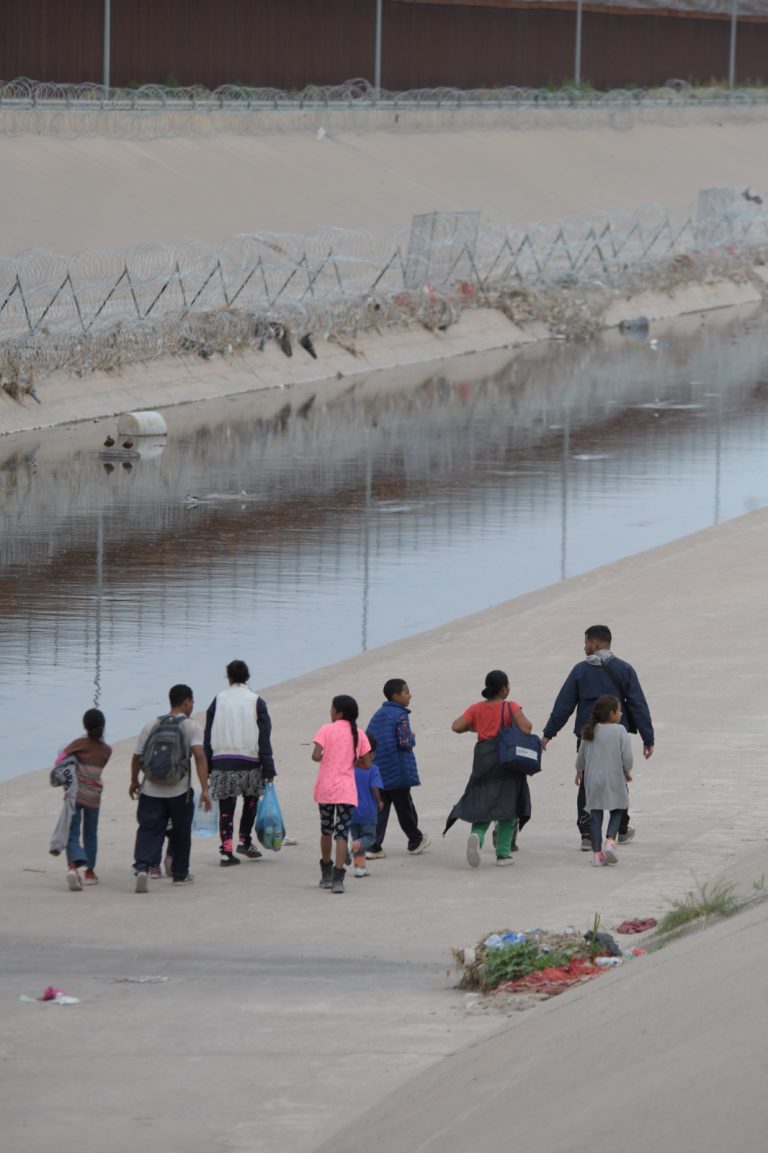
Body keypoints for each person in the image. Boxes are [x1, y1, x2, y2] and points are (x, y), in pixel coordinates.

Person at [541, 624, 654, 850]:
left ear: (594, 643)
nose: (584, 647)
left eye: (585, 643)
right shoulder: (624, 669)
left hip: (587, 734)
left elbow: (564, 704)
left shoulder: (580, 671)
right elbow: (638, 704)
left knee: (587, 781)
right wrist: (647, 737)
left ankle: (586, 834)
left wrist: (548, 733)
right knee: (619, 779)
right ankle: (620, 829)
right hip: (617, 735)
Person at [444, 670, 534, 867]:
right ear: (503, 689)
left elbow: (456, 726)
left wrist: (474, 727)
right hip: (506, 759)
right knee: (508, 804)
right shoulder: (511, 706)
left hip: (483, 759)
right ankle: (503, 853)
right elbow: (527, 727)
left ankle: (477, 835)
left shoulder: (476, 708)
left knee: (484, 800)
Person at [130, 684, 211, 891]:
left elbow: (137, 757)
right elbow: (200, 757)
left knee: (149, 829)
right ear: (186, 701)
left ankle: (142, 867)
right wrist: (205, 789)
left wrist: (134, 781)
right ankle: (180, 874)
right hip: (179, 791)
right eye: (192, 701)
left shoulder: (152, 724)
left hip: (150, 789)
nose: (192, 705)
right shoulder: (191, 726)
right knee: (181, 831)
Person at [203, 659, 275, 867]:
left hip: (221, 760)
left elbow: (208, 733)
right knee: (250, 801)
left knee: (227, 806)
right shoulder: (256, 701)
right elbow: (264, 736)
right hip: (249, 760)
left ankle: (226, 850)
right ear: (247, 677)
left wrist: (207, 764)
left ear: (229, 677)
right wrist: (268, 765)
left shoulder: (218, 700)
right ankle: (245, 839)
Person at [312, 695, 371, 894]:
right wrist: (351, 762)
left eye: (331, 709)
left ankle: (326, 873)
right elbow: (366, 763)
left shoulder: (326, 729)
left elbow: (315, 756)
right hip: (346, 790)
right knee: (341, 833)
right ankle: (339, 877)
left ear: (339, 713)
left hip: (326, 789)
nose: (330, 712)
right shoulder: (359, 734)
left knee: (326, 830)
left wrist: (327, 757)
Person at [365, 679, 430, 859]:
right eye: (406, 692)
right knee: (405, 808)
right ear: (396, 696)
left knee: (381, 808)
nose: (410, 695)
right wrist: (412, 737)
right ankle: (415, 840)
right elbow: (404, 743)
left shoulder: (378, 714)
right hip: (398, 771)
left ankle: (373, 845)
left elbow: (368, 739)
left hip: (380, 770)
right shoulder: (401, 715)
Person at [575, 695, 634, 866]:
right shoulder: (620, 731)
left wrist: (579, 771)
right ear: (611, 713)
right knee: (618, 807)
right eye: (619, 711)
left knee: (595, 814)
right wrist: (627, 770)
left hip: (593, 779)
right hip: (614, 776)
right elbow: (627, 757)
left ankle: (597, 855)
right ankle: (610, 839)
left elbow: (581, 757)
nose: (621, 714)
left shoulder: (589, 730)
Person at [58, 709, 112, 890]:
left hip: (75, 795)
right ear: (103, 727)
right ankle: (89, 872)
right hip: (94, 797)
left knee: (72, 832)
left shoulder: (77, 744)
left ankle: (73, 867)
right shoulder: (106, 750)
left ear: (84, 726)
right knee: (90, 833)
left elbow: (60, 761)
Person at [350, 735, 384, 878]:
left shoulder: (351, 768)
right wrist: (379, 801)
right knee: (368, 838)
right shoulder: (373, 769)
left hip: (351, 811)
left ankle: (360, 867)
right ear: (371, 753)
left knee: (357, 838)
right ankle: (351, 846)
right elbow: (374, 786)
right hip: (367, 811)